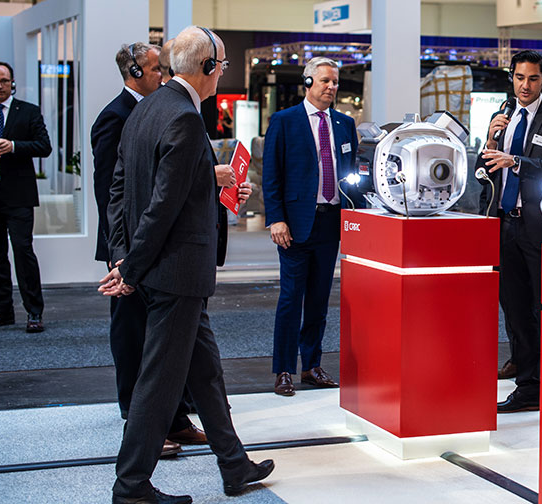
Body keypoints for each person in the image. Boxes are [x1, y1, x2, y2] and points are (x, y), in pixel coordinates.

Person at [101, 26, 273, 503]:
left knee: (205, 372)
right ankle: (131, 486)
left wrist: (125, 255)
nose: (222, 72)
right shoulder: (182, 116)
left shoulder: (148, 107)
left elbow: (121, 191)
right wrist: (130, 268)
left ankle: (234, 464)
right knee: (158, 383)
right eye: (222, 65)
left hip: (165, 270)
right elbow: (163, 206)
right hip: (175, 272)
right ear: (207, 67)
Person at [92, 42, 219, 457]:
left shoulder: (153, 109)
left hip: (153, 254)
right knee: (141, 349)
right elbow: (119, 194)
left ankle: (222, 453)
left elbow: (148, 186)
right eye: (153, 69)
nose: (160, 75)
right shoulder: (132, 115)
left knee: (199, 365)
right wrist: (125, 259)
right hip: (148, 255)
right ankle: (134, 465)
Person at [476, 50, 542, 413]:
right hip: (504, 223)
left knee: (540, 307)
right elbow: (483, 172)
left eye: (533, 78)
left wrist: (516, 161)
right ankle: (525, 375)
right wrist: (490, 142)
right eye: (520, 78)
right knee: (513, 307)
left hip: (539, 226)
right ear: (512, 79)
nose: (525, 85)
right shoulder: (502, 117)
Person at [263, 56, 363, 396]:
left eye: (335, 82)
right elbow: (272, 175)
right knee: (291, 299)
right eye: (325, 81)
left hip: (330, 222)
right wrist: (276, 218)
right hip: (294, 225)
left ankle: (311, 365)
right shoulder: (284, 121)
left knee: (319, 299)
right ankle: (283, 370)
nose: (331, 87)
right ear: (308, 83)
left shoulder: (345, 124)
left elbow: (352, 175)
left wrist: (359, 215)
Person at [0, 62, 51, 333]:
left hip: (19, 196)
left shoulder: (29, 111)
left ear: (12, 82)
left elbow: (44, 146)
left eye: (4, 80)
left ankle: (34, 311)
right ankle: (3, 311)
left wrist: (13, 146)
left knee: (23, 251)